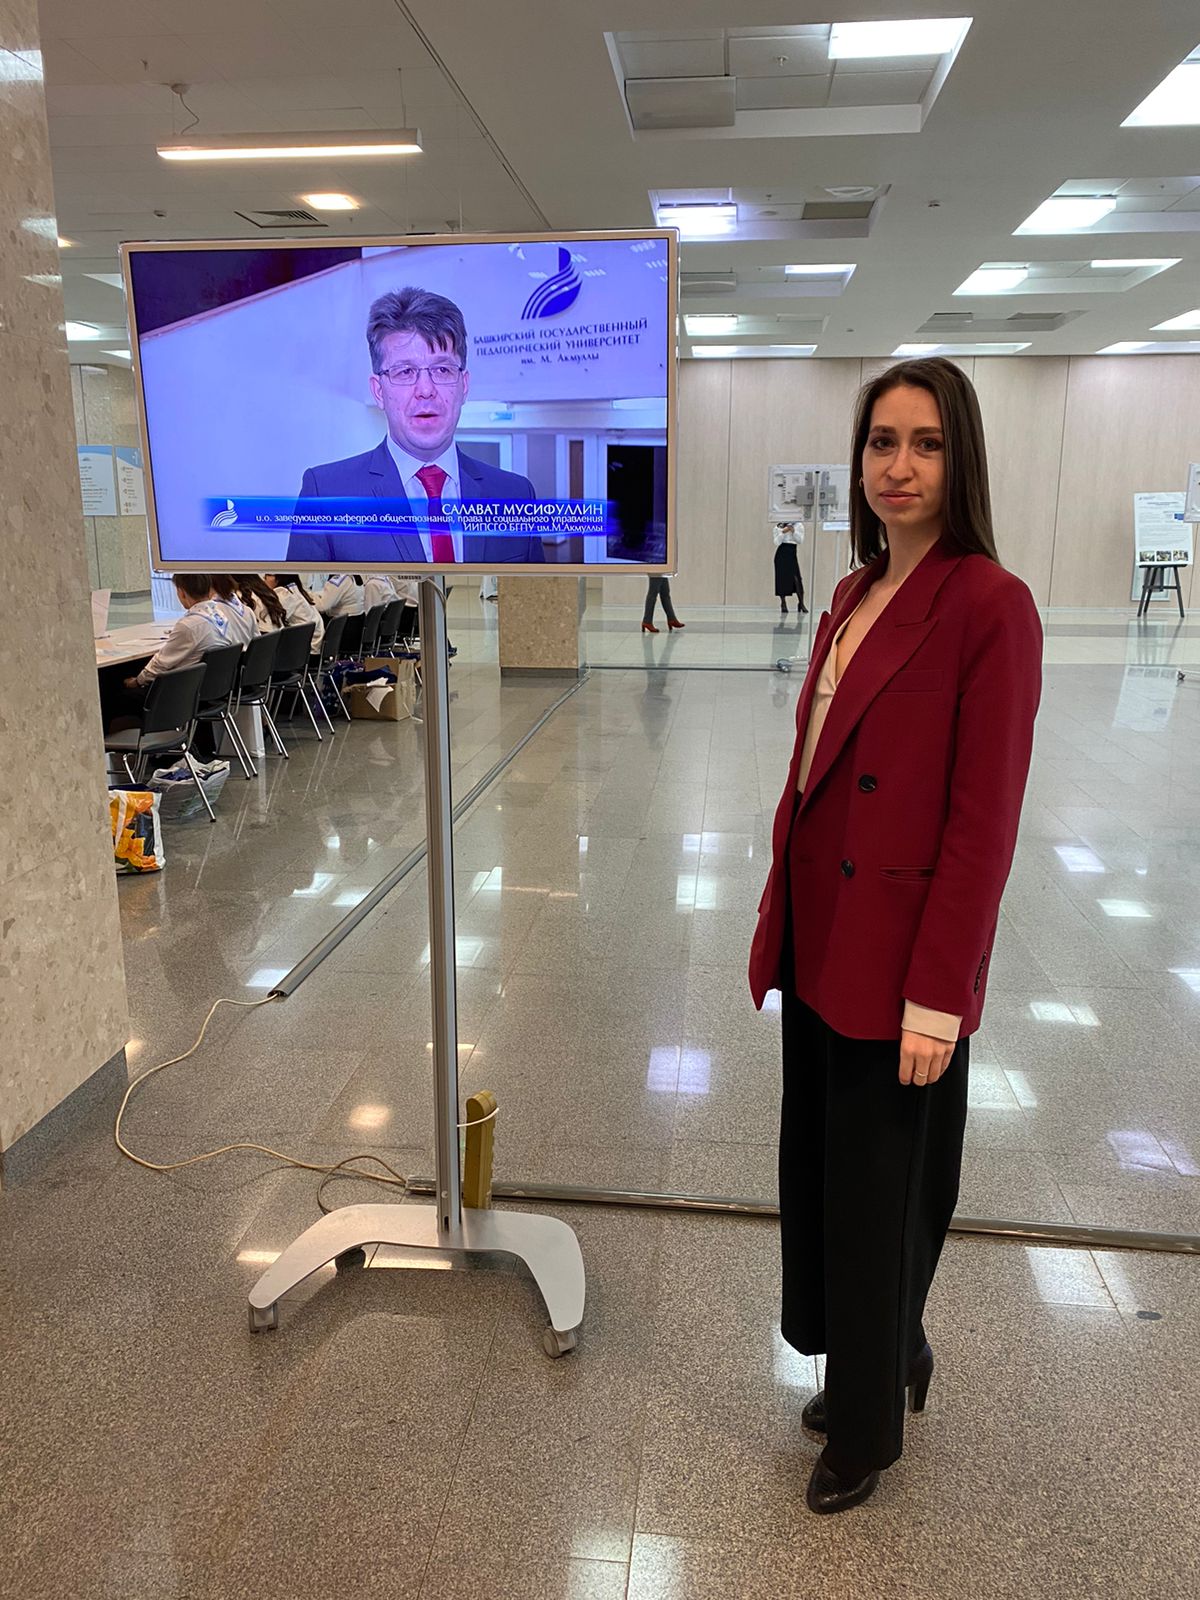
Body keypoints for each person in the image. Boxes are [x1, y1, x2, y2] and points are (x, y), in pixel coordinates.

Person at [748, 357, 1043, 1516]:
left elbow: (984, 822)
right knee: (826, 1180)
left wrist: (941, 992)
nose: (900, 466)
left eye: (925, 443)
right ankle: (884, 1352)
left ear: (960, 458)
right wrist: (776, 922)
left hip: (901, 964)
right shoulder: (851, 591)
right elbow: (812, 774)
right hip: (825, 942)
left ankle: (867, 1428)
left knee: (882, 1197)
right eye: (882, 442)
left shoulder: (990, 605)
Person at [286, 287, 545, 566]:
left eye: (442, 369)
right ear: (378, 391)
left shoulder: (516, 494)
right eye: (405, 372)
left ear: (464, 385)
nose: (425, 390)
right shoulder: (325, 495)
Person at [106, 574, 257, 750]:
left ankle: (111, 750)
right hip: (212, 689)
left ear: (181, 592)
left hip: (182, 695)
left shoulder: (189, 625)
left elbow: (160, 664)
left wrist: (137, 681)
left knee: (111, 695)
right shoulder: (222, 617)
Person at [264, 574, 324, 651]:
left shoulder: (284, 594)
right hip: (312, 645)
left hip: (308, 649)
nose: (264, 578)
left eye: (268, 575)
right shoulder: (294, 589)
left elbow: (273, 624)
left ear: (280, 578)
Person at [774, 521, 807, 616]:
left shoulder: (799, 525)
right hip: (781, 554)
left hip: (792, 553)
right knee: (781, 579)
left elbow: (800, 540)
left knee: (797, 579)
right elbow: (776, 542)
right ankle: (783, 603)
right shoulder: (778, 526)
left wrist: (793, 531)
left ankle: (801, 603)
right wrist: (783, 532)